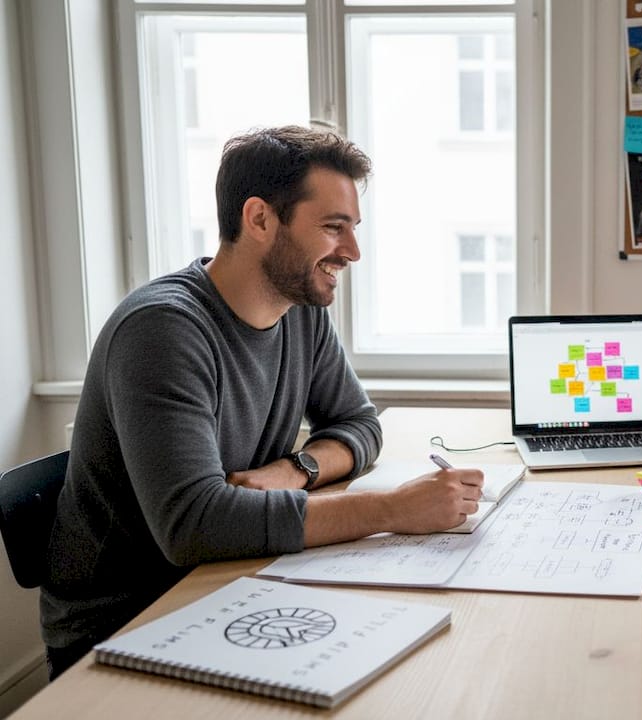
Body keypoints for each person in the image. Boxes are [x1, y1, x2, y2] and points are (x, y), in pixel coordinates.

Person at [40, 126, 484, 679]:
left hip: (232, 583)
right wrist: (394, 511)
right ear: (259, 220)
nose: (352, 251)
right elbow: (194, 525)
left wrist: (295, 469)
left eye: (353, 229)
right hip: (127, 624)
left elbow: (359, 423)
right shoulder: (162, 330)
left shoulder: (300, 311)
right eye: (332, 227)